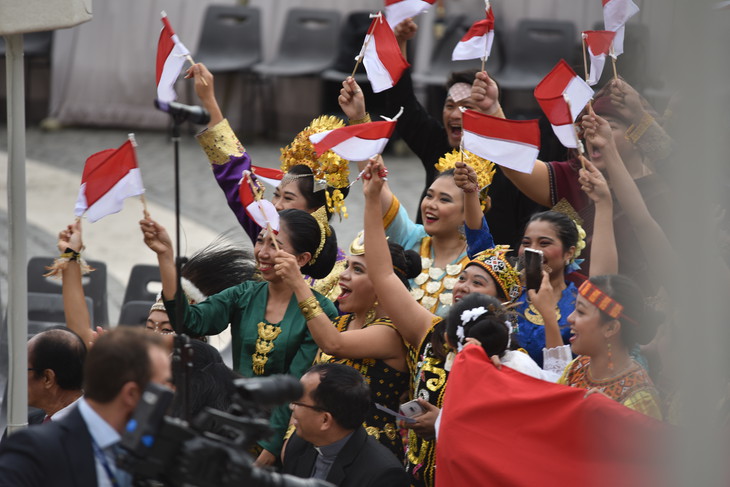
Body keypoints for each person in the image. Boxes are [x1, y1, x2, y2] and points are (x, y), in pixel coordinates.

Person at [360, 158, 521, 487]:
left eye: (477, 283)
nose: (463, 287)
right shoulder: (432, 334)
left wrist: (444, 424)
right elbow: (383, 274)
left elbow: (512, 436)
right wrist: (372, 199)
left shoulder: (515, 363)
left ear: (502, 303)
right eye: (462, 278)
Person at [141, 209, 339, 466]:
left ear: (301, 259)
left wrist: (269, 449)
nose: (262, 252)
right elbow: (190, 321)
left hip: (285, 436)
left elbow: (297, 382)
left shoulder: (321, 312)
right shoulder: (244, 294)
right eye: (260, 240)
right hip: (232, 421)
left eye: (275, 245)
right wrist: (165, 255)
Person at [338, 18, 542, 248]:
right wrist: (400, 43)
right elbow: (403, 106)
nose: (455, 114)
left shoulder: (513, 166)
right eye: (450, 106)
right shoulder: (439, 146)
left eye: (466, 107)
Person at [188, 62, 350, 301]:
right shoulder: (267, 232)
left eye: (288, 198)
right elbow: (236, 177)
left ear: (316, 209)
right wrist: (209, 100)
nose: (276, 204)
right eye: (276, 194)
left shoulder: (340, 273)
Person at [299, 231, 420, 460]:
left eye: (357, 270)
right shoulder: (339, 323)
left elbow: (333, 344)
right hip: (318, 447)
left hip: (366, 458)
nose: (343, 275)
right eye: (347, 266)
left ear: (383, 285)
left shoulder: (391, 333)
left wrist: (297, 283)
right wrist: (291, 439)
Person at [0, 327, 171, 487]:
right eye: (164, 385)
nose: (172, 393)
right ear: (131, 394)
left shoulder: (158, 455)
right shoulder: (35, 449)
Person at [55, 219, 256, 350]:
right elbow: (81, 334)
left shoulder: (205, 376)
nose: (154, 335)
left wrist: (165, 254)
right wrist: (70, 256)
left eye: (166, 330)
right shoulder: (134, 362)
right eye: (150, 327)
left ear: (195, 340)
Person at [282, 363, 409, 487]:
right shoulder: (299, 444)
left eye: (298, 402)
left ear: (325, 420)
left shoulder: (383, 475)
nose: (292, 407)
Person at [559, 275, 663, 419]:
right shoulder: (576, 368)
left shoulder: (641, 399)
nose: (570, 318)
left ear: (611, 328)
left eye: (581, 312)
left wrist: (613, 417)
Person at [26, 327, 86, 423]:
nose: (17, 379)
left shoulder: (96, 427)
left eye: (24, 370)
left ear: (47, 378)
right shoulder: (26, 423)